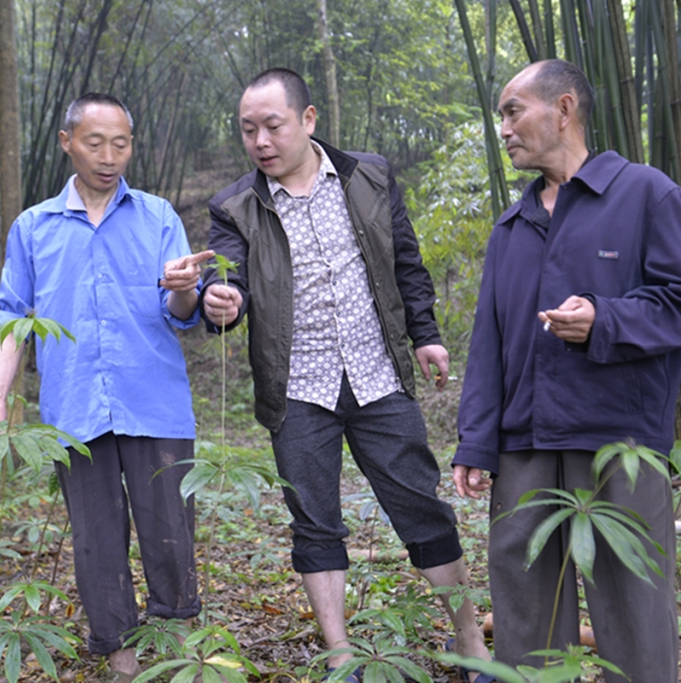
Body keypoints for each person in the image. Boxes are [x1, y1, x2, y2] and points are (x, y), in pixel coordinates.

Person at [200, 68, 492, 682]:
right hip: (296, 389)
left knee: (422, 506)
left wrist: (427, 335)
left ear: (308, 119)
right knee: (314, 522)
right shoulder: (233, 206)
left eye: (272, 125)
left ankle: (470, 641)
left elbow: (405, 261)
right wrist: (219, 299)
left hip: (376, 374)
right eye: (248, 130)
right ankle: (341, 656)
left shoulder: (370, 176)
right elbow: (227, 280)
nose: (260, 141)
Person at [452, 60, 681, 683]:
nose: (504, 129)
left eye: (513, 111)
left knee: (635, 610)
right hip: (524, 446)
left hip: (618, 444)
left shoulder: (646, 194)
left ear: (563, 109)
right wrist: (475, 441)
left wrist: (604, 319)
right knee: (524, 615)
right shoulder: (511, 228)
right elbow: (488, 344)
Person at [0, 93, 211, 682]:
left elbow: (181, 312)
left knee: (170, 531)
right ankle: (122, 661)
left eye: (121, 144)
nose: (109, 157)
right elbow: (13, 317)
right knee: (96, 539)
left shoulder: (157, 216)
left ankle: (181, 655)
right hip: (74, 407)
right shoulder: (34, 227)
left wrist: (186, 288)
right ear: (67, 142)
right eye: (95, 143)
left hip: (155, 402)